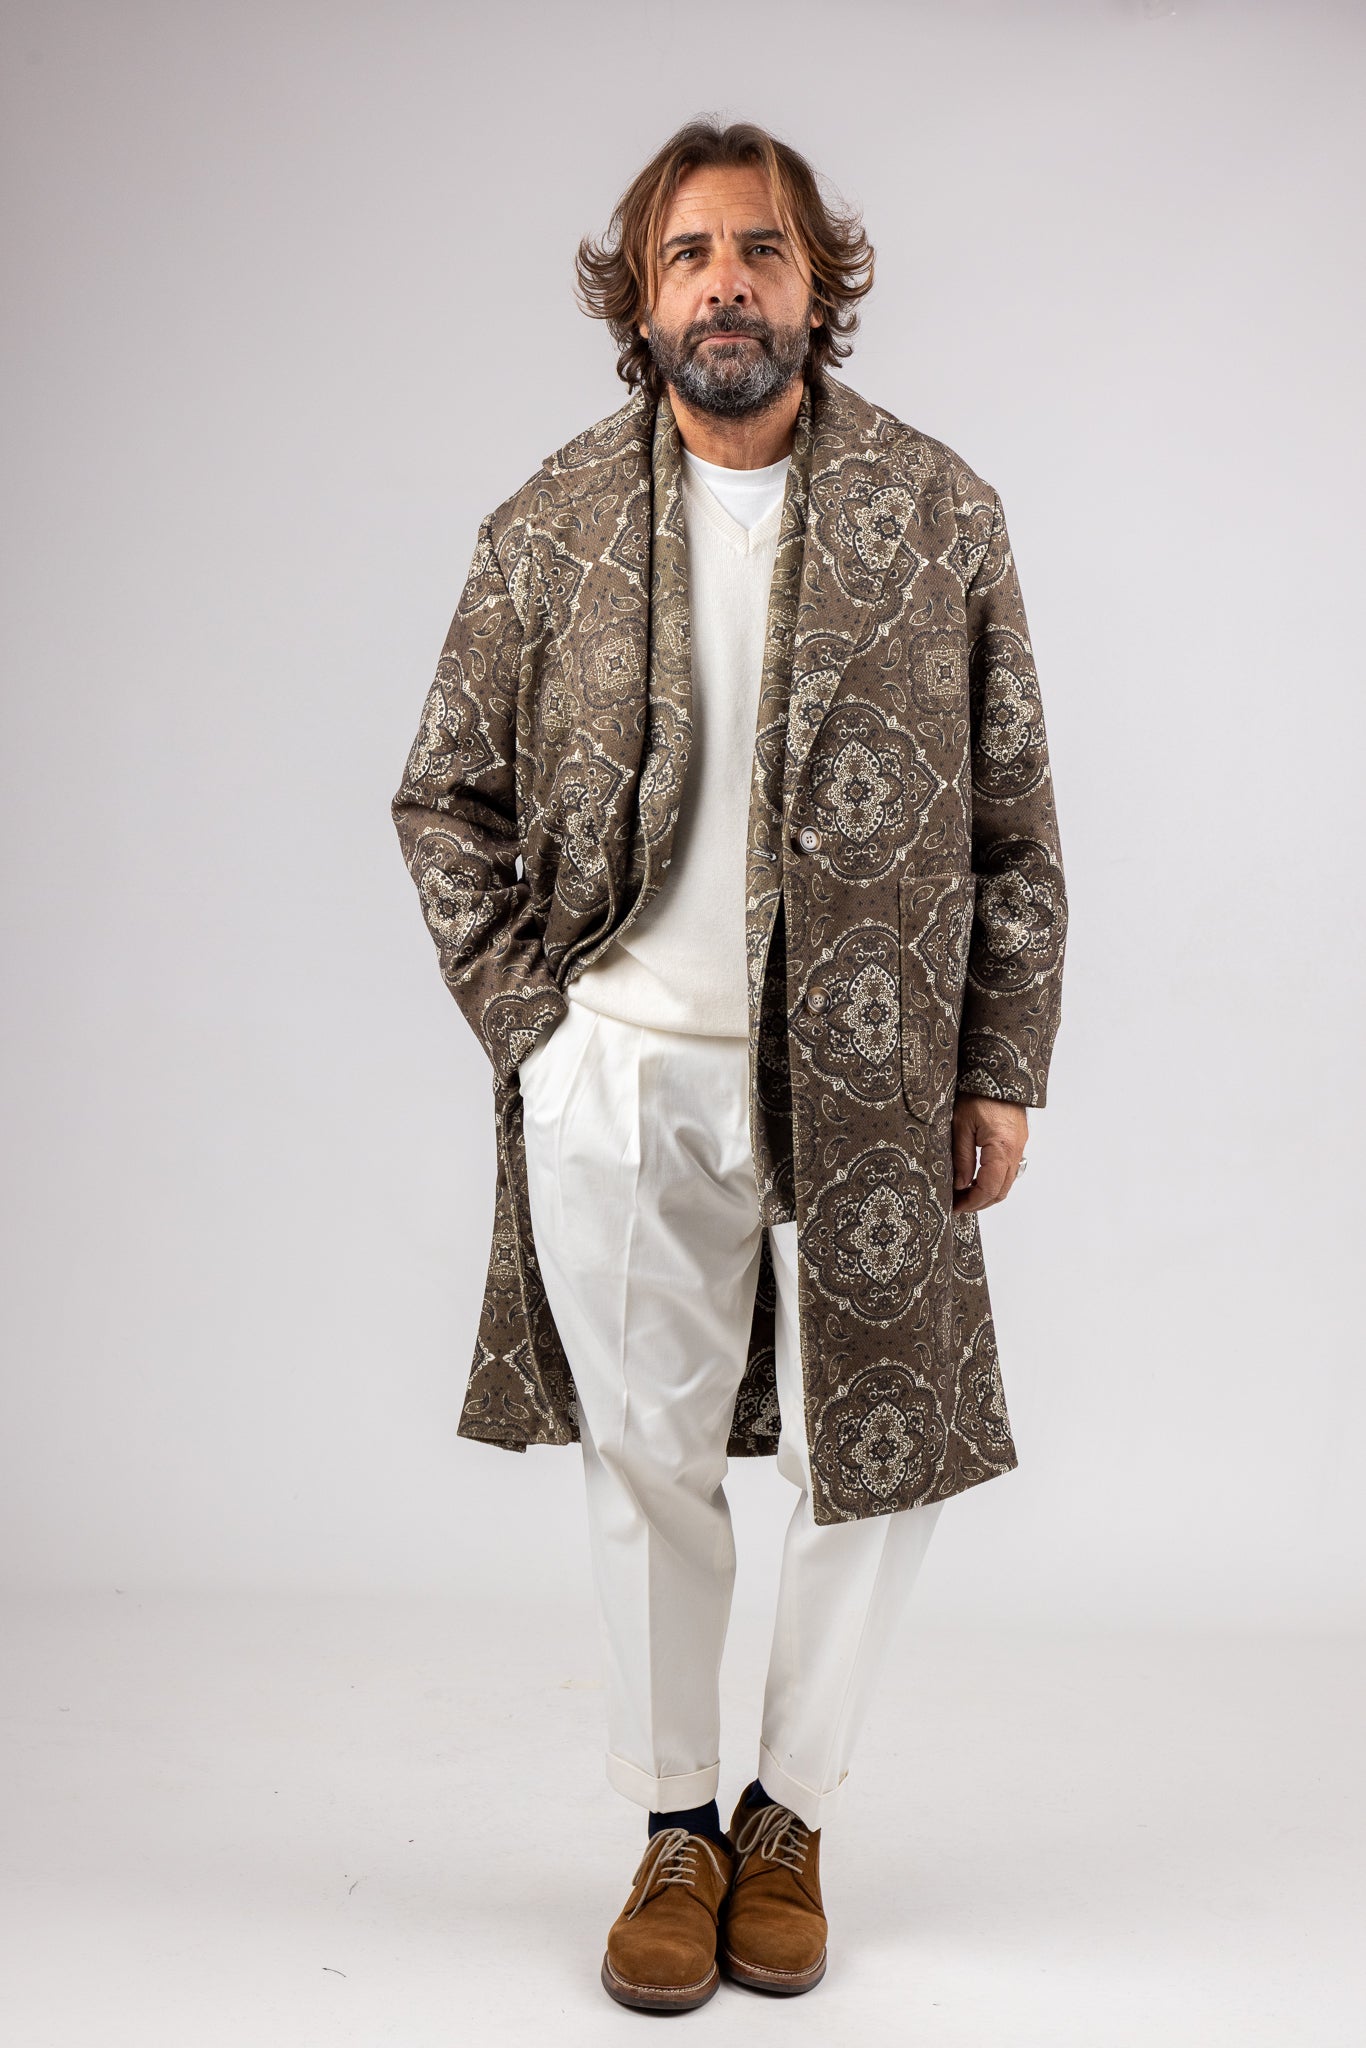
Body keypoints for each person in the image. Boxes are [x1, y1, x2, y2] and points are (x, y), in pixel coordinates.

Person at [391, 116, 1067, 2012]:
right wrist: (538, 1035)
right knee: (648, 1463)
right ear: (640, 298)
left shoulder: (936, 514)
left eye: (761, 250)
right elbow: (441, 798)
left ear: (814, 285)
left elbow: (1013, 817)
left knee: (880, 1459)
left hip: (871, 1073)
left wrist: (997, 1060)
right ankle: (677, 1827)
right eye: (687, 254)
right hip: (622, 1069)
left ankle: (793, 1815)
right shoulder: (547, 528)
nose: (726, 285)